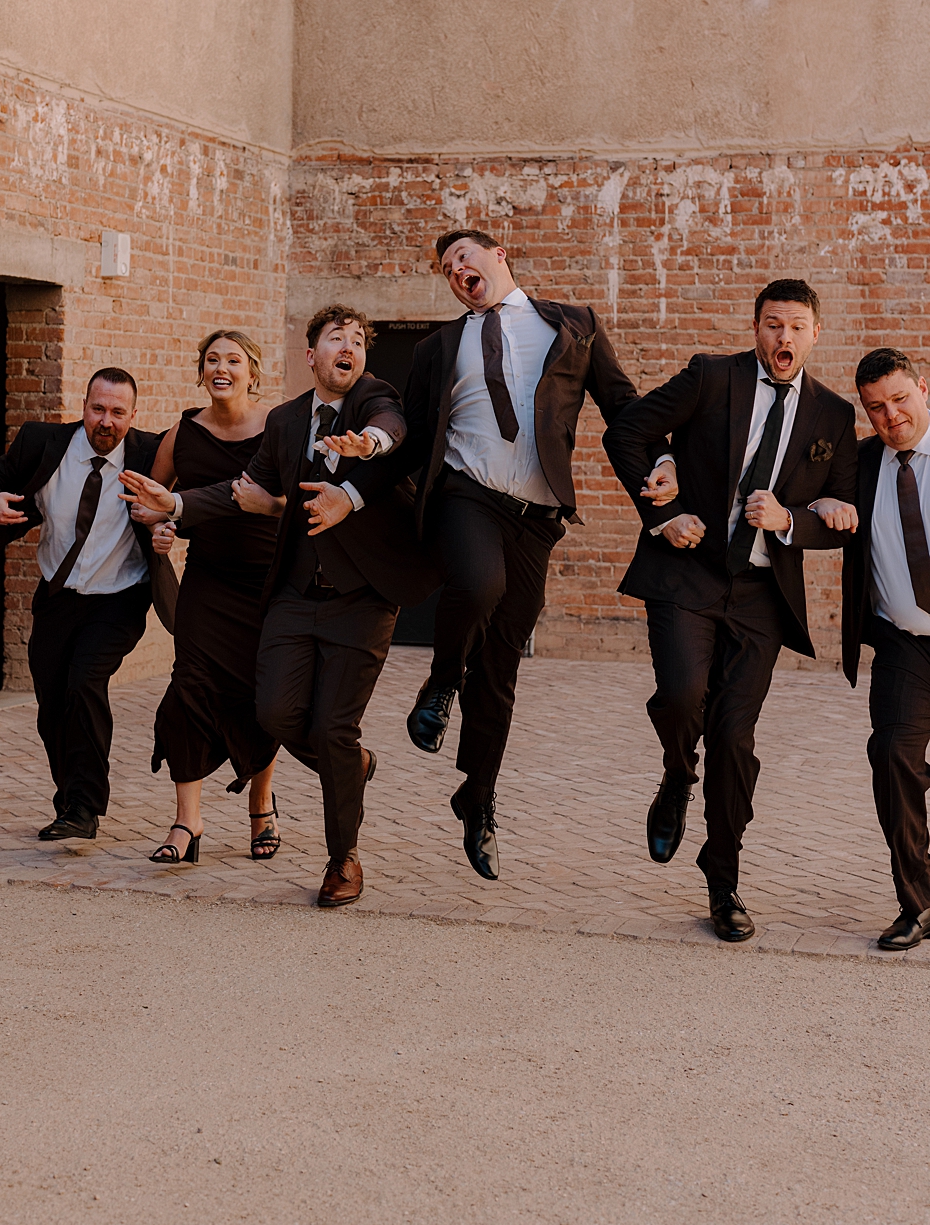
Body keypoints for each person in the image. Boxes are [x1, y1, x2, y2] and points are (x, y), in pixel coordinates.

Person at [125, 306, 431, 906]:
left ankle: (343, 859)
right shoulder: (288, 421)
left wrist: (366, 445)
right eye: (335, 339)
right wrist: (179, 504)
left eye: (358, 341)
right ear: (310, 355)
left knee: (332, 727)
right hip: (291, 595)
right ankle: (350, 763)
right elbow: (245, 490)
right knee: (274, 714)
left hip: (361, 598)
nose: (349, 347)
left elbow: (391, 428)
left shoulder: (376, 400)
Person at [605, 279, 857, 943]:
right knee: (683, 693)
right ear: (756, 328)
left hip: (760, 597)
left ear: (815, 333)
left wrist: (793, 519)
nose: (783, 337)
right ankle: (674, 775)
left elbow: (841, 514)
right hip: (686, 571)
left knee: (736, 740)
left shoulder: (832, 417)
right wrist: (662, 511)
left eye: (796, 326)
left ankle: (724, 880)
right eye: (773, 324)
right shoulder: (710, 377)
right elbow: (629, 429)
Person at [399, 228, 646, 881]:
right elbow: (412, 435)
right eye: (447, 266)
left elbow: (622, 404)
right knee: (477, 584)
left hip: (537, 518)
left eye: (465, 257)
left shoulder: (574, 327)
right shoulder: (435, 348)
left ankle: (476, 797)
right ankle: (440, 681)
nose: (457, 269)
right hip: (467, 493)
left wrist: (666, 459)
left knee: (503, 665)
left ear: (499, 255)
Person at [0, 368, 177, 842]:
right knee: (52, 702)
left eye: (117, 412)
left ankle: (85, 807)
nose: (105, 421)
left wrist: (168, 525)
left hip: (120, 595)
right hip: (58, 594)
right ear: (84, 406)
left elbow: (183, 502)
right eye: (98, 409)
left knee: (84, 682)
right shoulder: (43, 443)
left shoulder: (152, 455)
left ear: (133, 415)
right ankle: (70, 799)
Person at [126, 330, 283, 865]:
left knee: (264, 699)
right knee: (189, 690)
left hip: (267, 583)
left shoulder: (279, 427)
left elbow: (292, 499)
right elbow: (151, 500)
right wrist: (157, 528)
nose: (223, 368)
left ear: (251, 371)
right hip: (208, 583)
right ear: (201, 371)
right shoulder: (183, 433)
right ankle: (186, 823)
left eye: (234, 360)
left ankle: (261, 805)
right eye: (212, 360)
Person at [840, 348, 930, 950]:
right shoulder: (863, 463)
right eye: (876, 408)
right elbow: (821, 514)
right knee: (893, 756)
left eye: (900, 399)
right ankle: (918, 903)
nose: (891, 416)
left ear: (923, 387)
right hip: (905, 644)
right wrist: (806, 514)